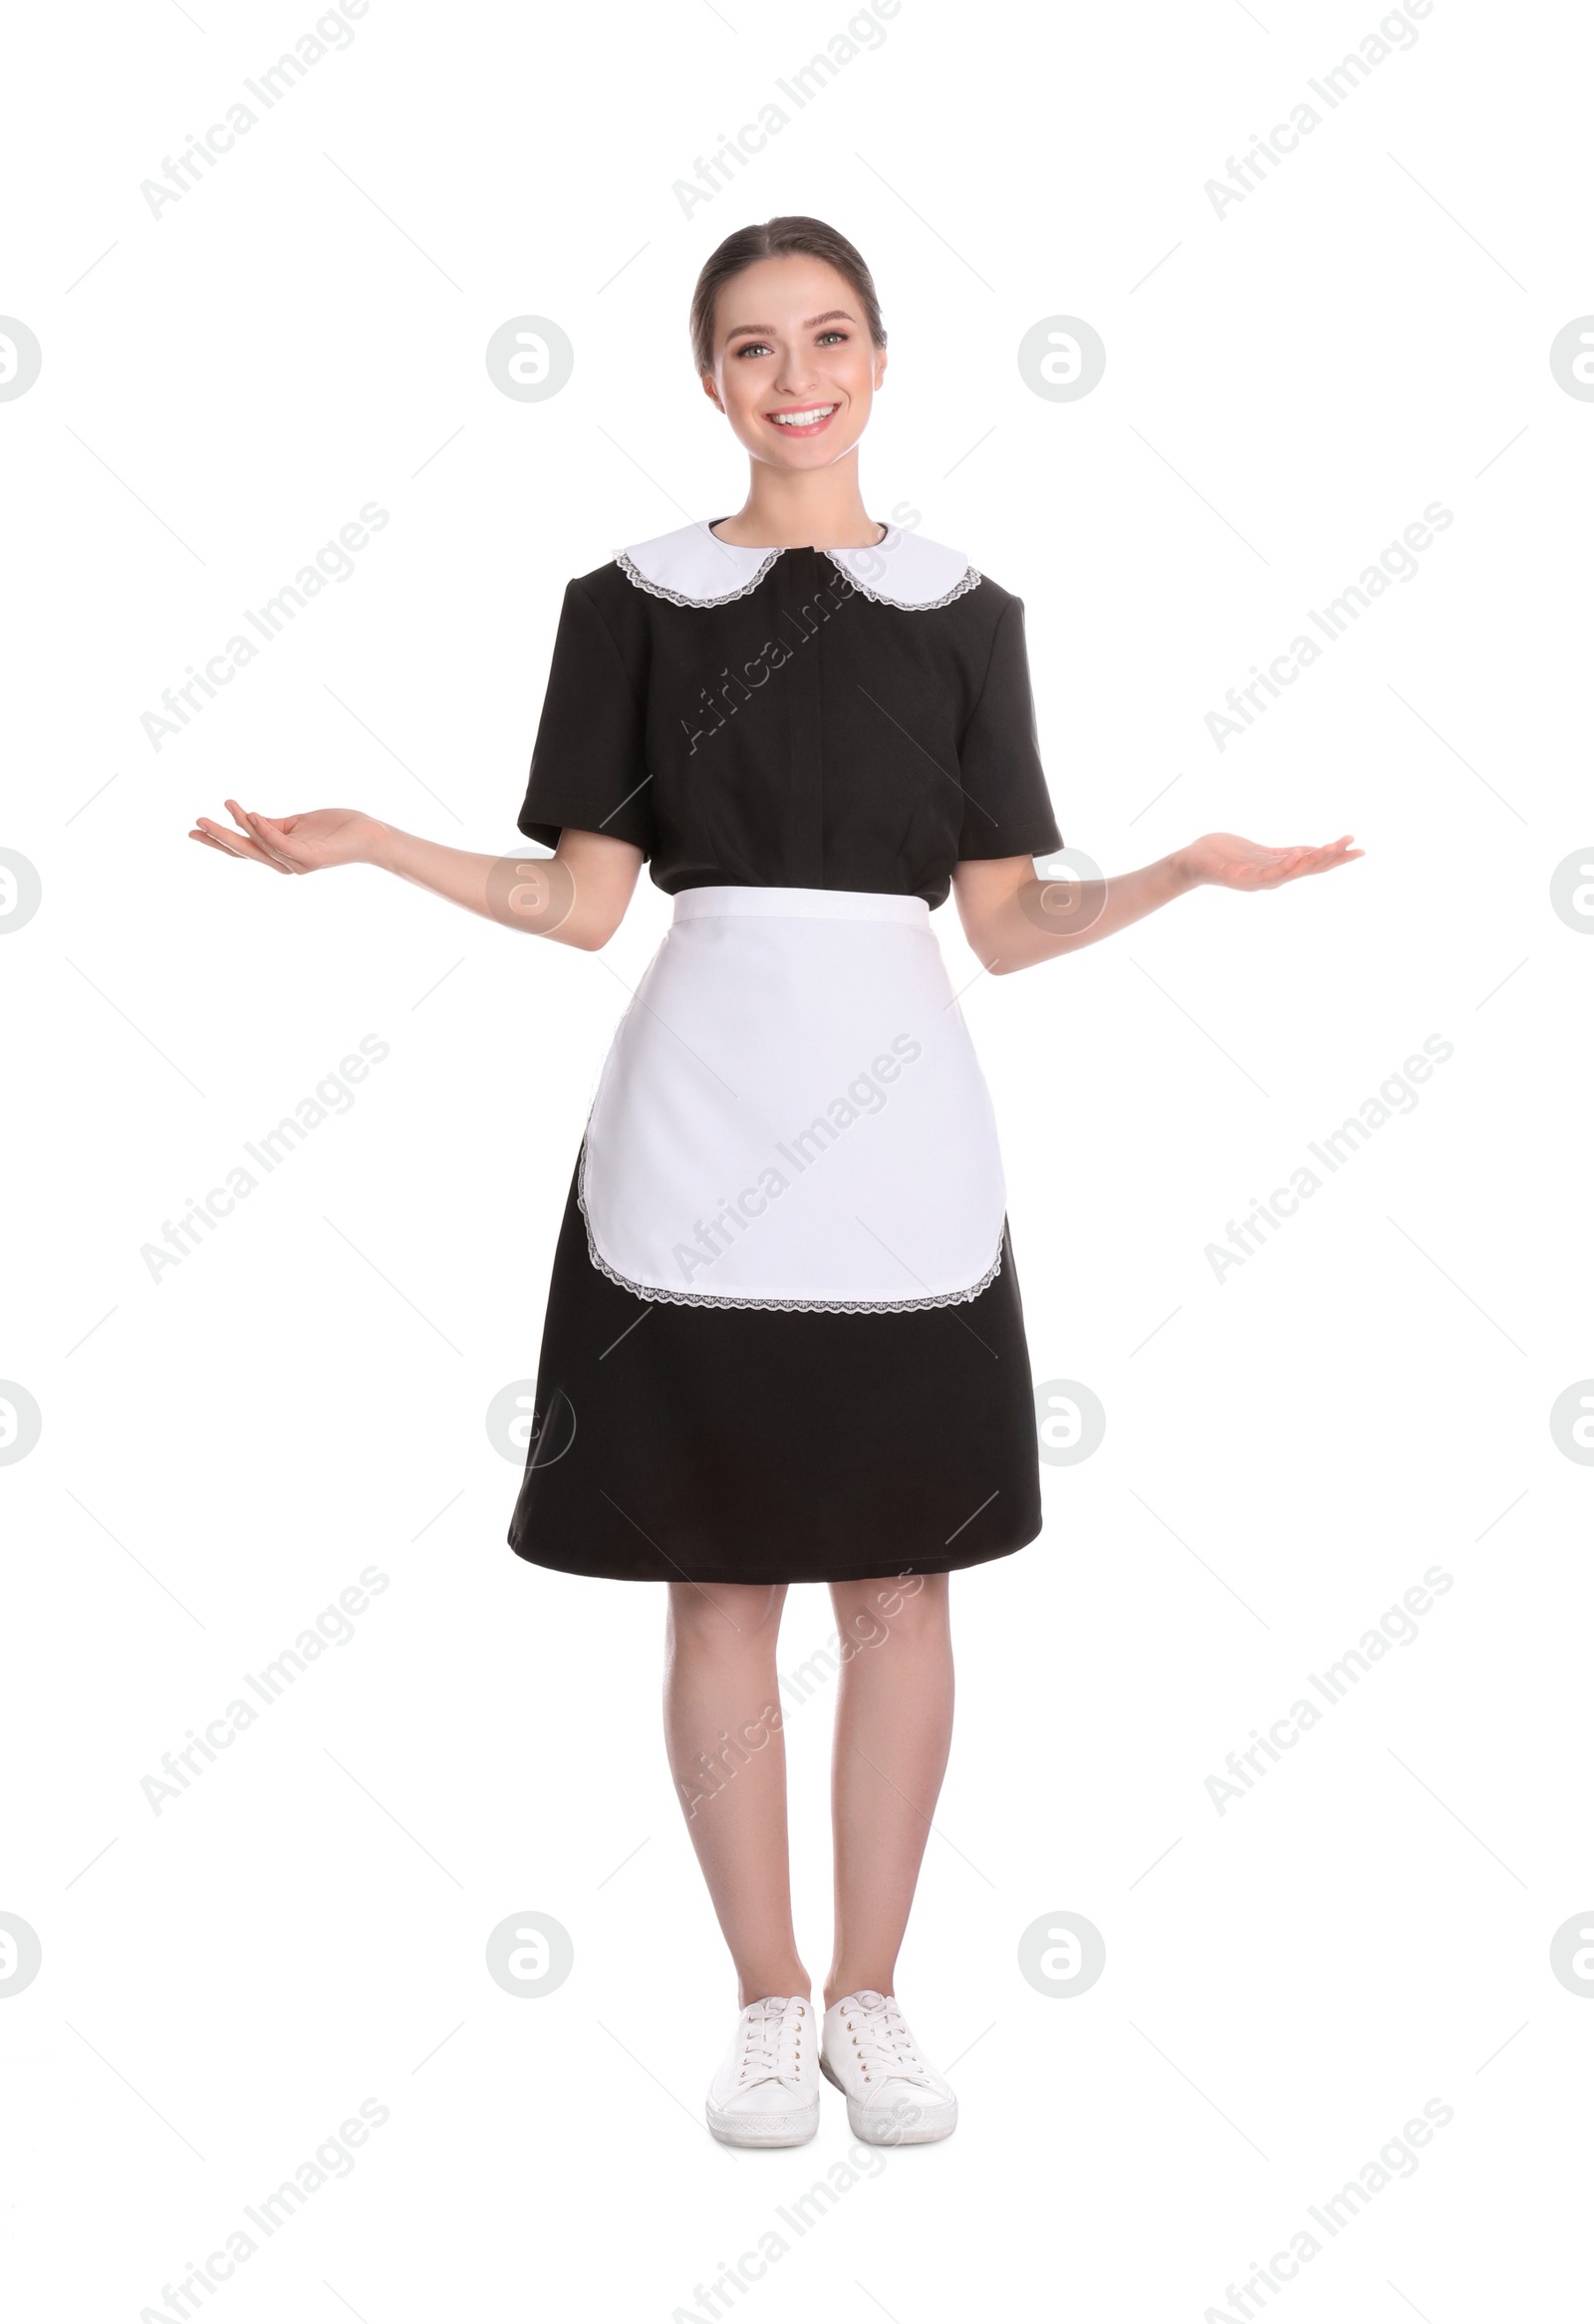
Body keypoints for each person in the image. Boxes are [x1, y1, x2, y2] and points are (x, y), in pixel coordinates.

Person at [190, 214, 1360, 2151]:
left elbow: (1001, 922)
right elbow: (575, 903)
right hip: (697, 1120)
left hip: (899, 1125)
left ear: (881, 359)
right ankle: (759, 2002)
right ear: (708, 378)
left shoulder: (970, 611)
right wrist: (374, 843)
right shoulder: (627, 600)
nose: (791, 374)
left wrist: (1167, 876)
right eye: (749, 347)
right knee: (719, 1582)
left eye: (826, 337)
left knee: (900, 1583)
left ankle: (874, 1997)